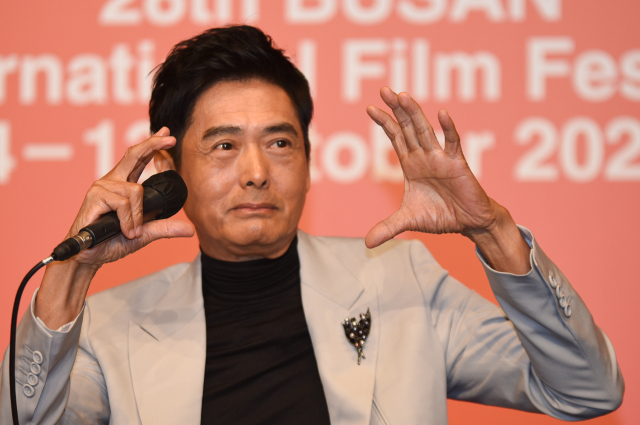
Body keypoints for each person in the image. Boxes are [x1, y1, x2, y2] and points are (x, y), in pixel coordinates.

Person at [0, 25, 624, 424]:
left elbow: (587, 390)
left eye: (280, 143)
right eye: (223, 146)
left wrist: (493, 231)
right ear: (168, 171)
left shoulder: (402, 282)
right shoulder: (109, 326)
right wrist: (69, 276)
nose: (256, 173)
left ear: (307, 158)